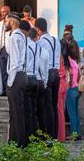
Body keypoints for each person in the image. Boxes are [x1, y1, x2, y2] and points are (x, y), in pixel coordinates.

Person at [35, 18, 61, 140]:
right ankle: (55, 134)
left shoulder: (41, 42)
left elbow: (41, 60)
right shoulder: (56, 40)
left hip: (48, 73)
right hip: (57, 73)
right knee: (54, 106)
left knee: (47, 106)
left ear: (38, 29)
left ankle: (49, 135)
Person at [5, 13, 28, 147]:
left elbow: (14, 61)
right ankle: (13, 141)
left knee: (16, 112)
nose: (5, 24)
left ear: (12, 22)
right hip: (21, 75)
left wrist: (10, 81)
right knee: (15, 111)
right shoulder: (21, 36)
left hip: (16, 76)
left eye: (7, 21)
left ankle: (19, 143)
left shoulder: (14, 37)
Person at [28, 28, 50, 136]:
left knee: (31, 110)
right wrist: (45, 83)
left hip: (31, 80)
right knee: (41, 110)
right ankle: (43, 134)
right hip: (40, 81)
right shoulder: (44, 51)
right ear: (37, 37)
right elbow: (46, 70)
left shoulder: (27, 49)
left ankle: (32, 134)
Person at [21, 21, 40, 143]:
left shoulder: (25, 45)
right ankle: (34, 136)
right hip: (35, 78)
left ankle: (28, 137)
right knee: (34, 109)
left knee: (27, 110)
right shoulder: (38, 46)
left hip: (27, 77)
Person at [63, 40, 81, 140]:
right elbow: (77, 74)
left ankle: (73, 134)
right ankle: (77, 132)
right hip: (77, 88)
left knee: (71, 113)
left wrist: (69, 85)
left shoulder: (68, 62)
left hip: (71, 89)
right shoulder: (74, 62)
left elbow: (70, 74)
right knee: (76, 112)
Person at [0, 6, 11, 96]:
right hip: (1, 49)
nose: (3, 14)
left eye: (4, 12)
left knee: (9, 70)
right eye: (1, 12)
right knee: (2, 70)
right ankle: (4, 89)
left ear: (8, 12)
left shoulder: (11, 23)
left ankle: (10, 90)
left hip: (9, 49)